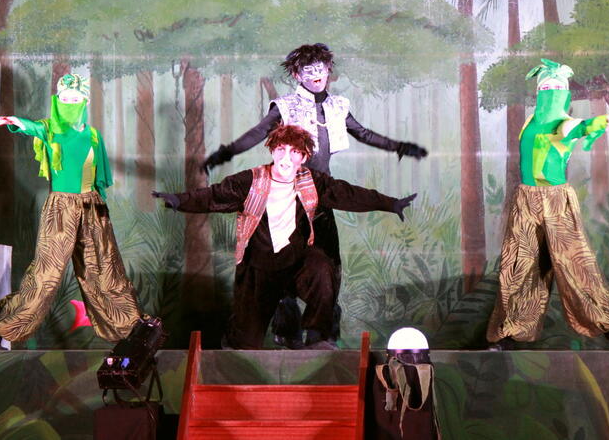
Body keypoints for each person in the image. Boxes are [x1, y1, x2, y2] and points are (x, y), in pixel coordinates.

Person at [203, 43, 428, 347]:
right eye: (308, 70)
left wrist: (399, 147)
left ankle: (322, 335)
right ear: (297, 75)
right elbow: (258, 133)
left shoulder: (337, 106)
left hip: (321, 198)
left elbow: (363, 133)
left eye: (321, 68)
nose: (316, 74)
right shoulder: (284, 107)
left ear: (328, 70)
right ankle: (286, 330)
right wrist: (226, 152)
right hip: (286, 200)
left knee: (328, 266)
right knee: (282, 265)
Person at [155, 124, 416, 349]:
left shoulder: (312, 181)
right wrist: (178, 200)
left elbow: (347, 194)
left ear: (304, 156)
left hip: (297, 261)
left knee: (321, 268)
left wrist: (390, 204)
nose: (286, 158)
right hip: (259, 266)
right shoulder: (251, 180)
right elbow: (214, 196)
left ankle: (317, 336)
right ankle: (237, 341)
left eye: (294, 152)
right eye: (281, 150)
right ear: (272, 151)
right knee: (245, 340)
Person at [0, 74, 145, 349]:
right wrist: (18, 122)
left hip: (92, 207)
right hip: (61, 209)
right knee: (46, 275)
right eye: (64, 99)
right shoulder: (50, 129)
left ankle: (129, 328)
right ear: (57, 100)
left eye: (75, 98)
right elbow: (32, 127)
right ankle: (3, 324)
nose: (69, 103)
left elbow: (98, 178)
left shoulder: (93, 135)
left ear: (84, 101)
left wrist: (100, 212)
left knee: (104, 269)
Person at [486, 59, 609, 351]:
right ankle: (510, 332)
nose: (549, 92)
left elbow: (581, 127)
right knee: (519, 266)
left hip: (556, 201)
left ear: (564, 92)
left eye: (555, 87)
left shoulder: (564, 122)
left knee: (576, 265)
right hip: (525, 200)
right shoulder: (530, 122)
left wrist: (608, 120)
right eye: (544, 87)